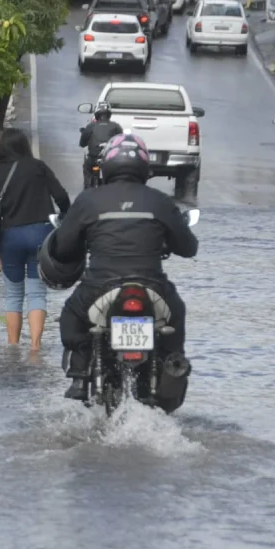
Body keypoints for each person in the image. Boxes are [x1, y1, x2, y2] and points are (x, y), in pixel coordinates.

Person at [43, 132, 198, 400]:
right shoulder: (160, 201)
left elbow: (64, 248)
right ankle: (173, 365)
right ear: (144, 168)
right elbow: (188, 247)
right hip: (153, 289)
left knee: (70, 315)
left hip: (98, 289)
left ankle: (79, 374)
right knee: (178, 312)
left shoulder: (88, 200)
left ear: (106, 167)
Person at [0, 128, 71, 351]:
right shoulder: (38, 167)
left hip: (10, 237)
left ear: (2, 149)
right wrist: (64, 222)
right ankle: (36, 347)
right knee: (37, 293)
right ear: (24, 146)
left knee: (13, 294)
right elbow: (62, 197)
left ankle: (12, 346)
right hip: (41, 234)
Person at [78, 102, 124, 189]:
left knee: (87, 169)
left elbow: (82, 143)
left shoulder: (91, 126)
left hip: (93, 158)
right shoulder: (116, 126)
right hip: (110, 160)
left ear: (96, 113)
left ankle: (87, 190)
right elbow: (121, 142)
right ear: (109, 114)